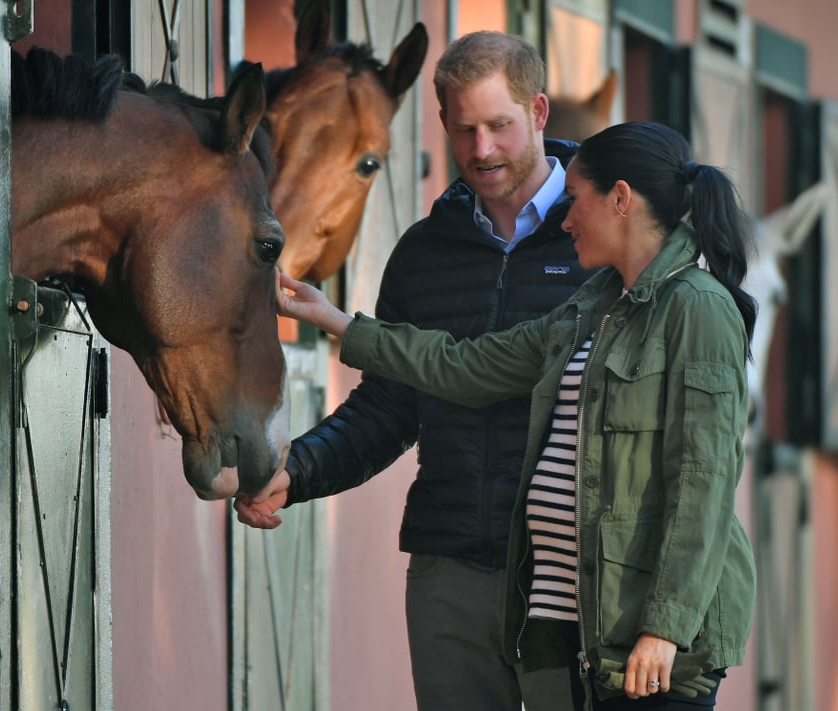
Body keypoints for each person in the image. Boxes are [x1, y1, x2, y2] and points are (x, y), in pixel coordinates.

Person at [270, 121, 757, 711]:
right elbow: (468, 365)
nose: (566, 219)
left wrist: (666, 628)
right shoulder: (594, 305)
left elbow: (702, 485)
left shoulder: (698, 308)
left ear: (621, 199)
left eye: (575, 201)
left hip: (646, 648)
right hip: (575, 630)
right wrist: (337, 322)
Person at [235, 31, 594, 711]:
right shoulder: (424, 253)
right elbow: (390, 407)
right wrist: (298, 470)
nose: (481, 149)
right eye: (464, 130)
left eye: (499, 126)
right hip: (451, 568)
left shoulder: (598, 238)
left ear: (540, 112)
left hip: (571, 572)